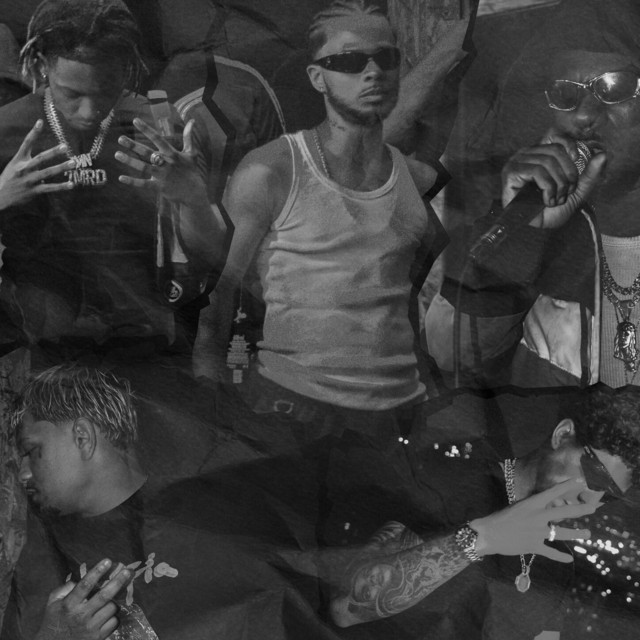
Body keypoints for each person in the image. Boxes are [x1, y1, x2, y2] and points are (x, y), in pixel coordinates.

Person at [194, 0, 447, 542]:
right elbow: (216, 303)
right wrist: (212, 422)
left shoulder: (418, 180)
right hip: (296, 415)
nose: (372, 72)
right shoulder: (272, 170)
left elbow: (411, 303)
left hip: (400, 417)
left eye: (385, 58)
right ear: (317, 77)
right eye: (349, 62)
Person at [7, 364, 341, 639]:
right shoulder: (39, 558)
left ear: (83, 438)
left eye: (32, 451)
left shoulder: (218, 518)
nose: (22, 474)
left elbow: (292, 610)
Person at [424, 0, 640, 389]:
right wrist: (522, 234)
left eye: (613, 86)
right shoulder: (539, 227)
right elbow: (449, 358)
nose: (584, 115)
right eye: (566, 93)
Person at [0, 0, 225, 359]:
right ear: (42, 66)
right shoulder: (8, 130)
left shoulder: (157, 126)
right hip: (39, 351)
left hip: (145, 347)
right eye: (72, 93)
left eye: (106, 90)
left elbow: (212, 255)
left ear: (126, 69)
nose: (89, 111)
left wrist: (192, 196)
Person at [327, 384, 640, 639]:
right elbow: (345, 608)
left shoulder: (558, 561)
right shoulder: (454, 480)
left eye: (609, 496)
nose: (592, 498)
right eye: (595, 474)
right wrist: (482, 538)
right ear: (562, 435)